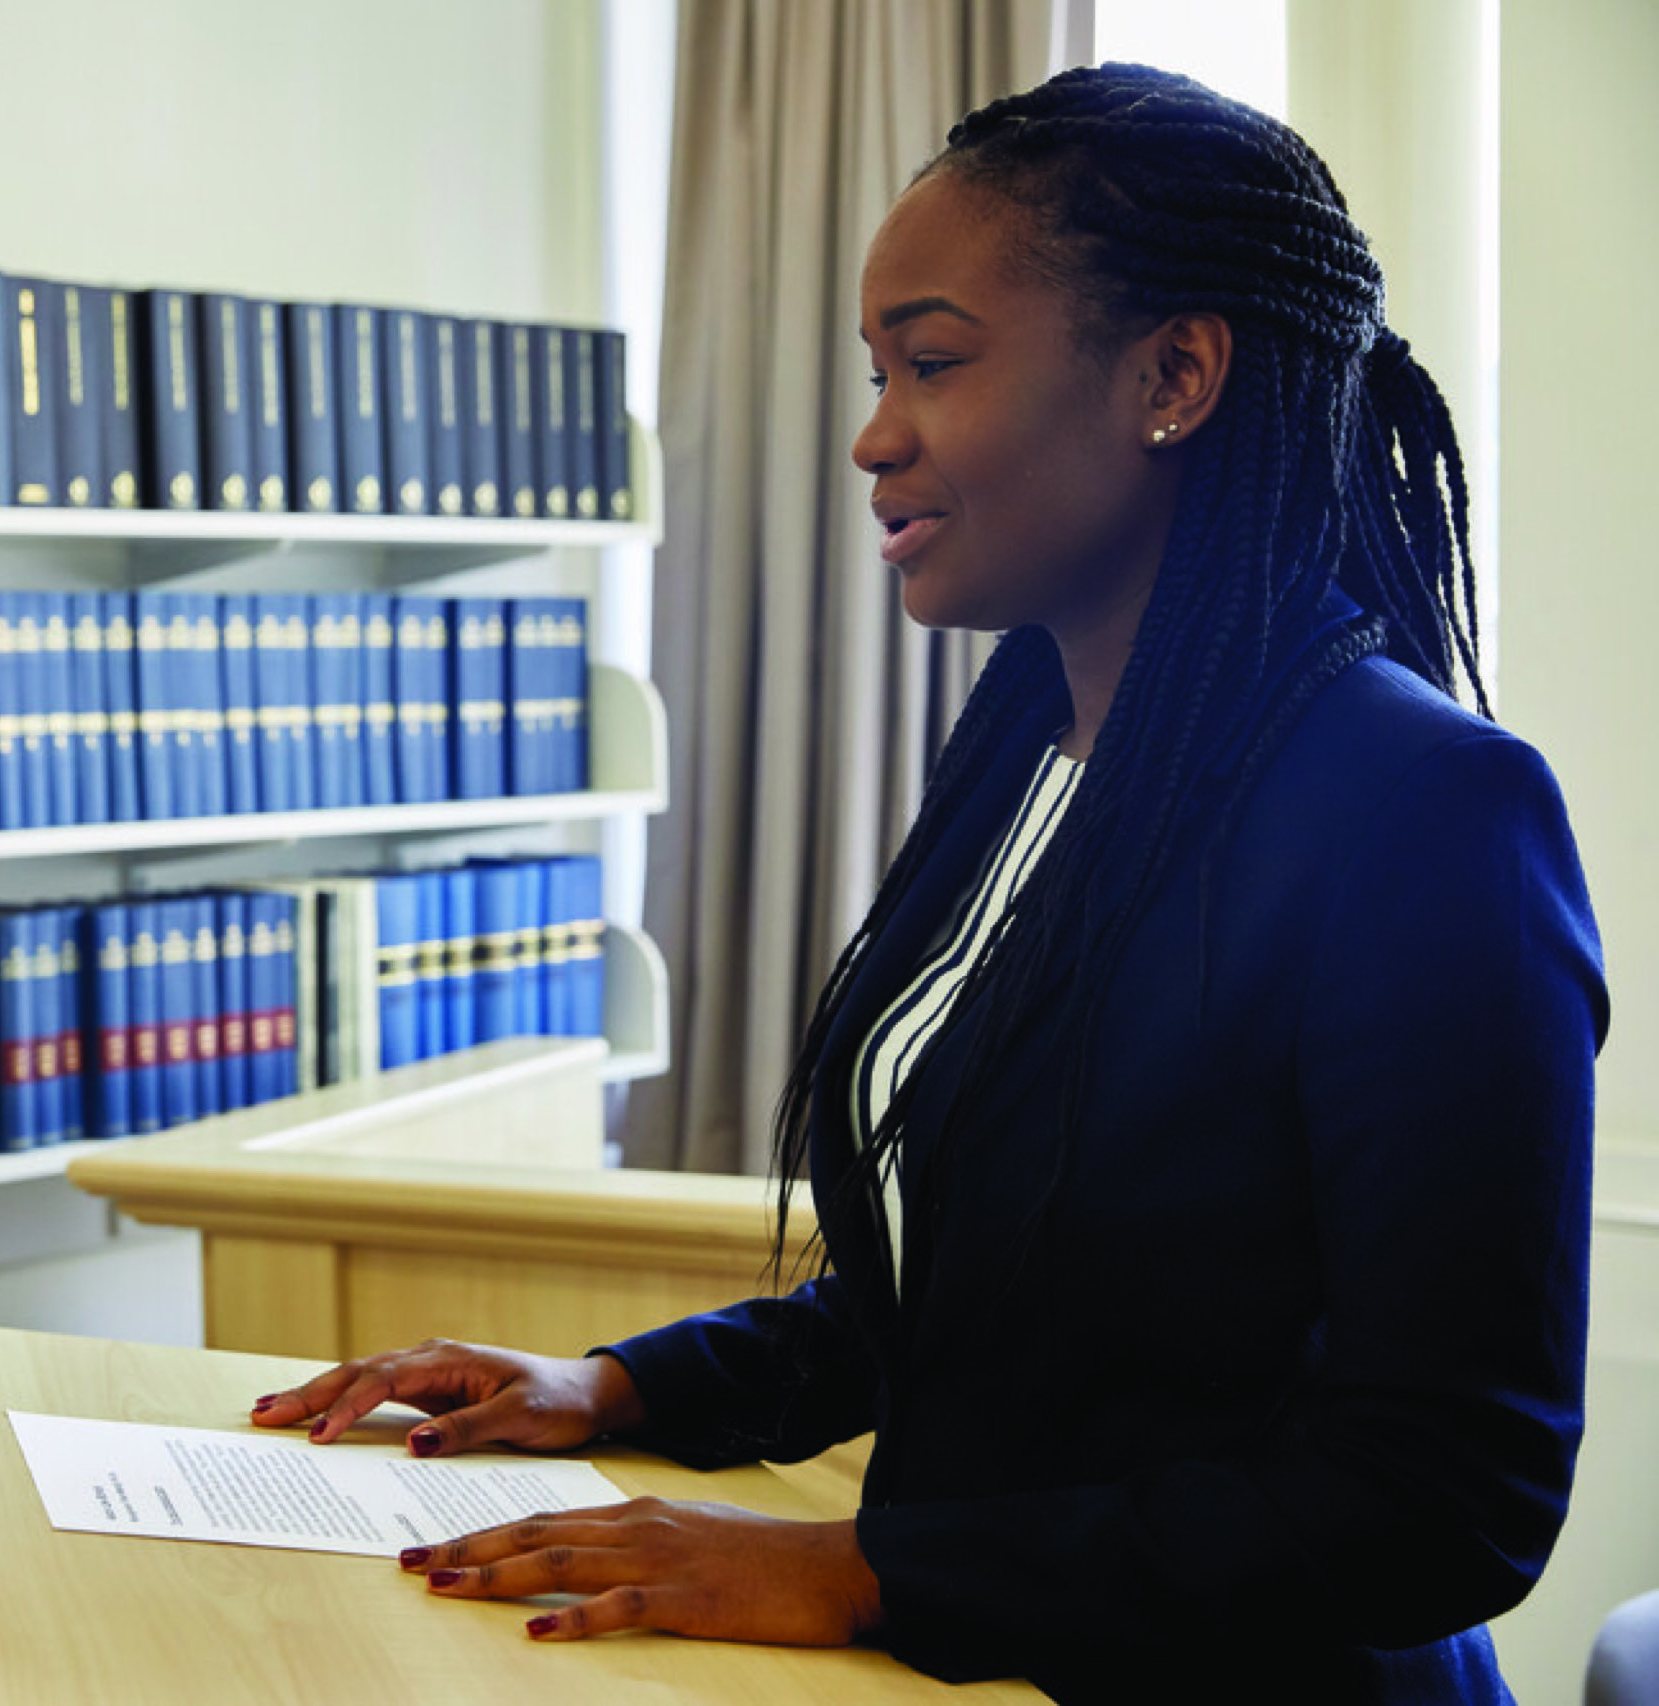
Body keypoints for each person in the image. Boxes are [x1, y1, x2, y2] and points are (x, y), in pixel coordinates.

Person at [249, 62, 1607, 1705]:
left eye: (935, 363)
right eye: (878, 369)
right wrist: (607, 1388)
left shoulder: (1430, 813)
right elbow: (981, 1301)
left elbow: (1445, 1495)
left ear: (1175, 373)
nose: (872, 434)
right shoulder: (1036, 753)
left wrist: (861, 1570)